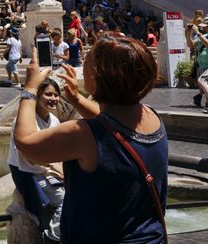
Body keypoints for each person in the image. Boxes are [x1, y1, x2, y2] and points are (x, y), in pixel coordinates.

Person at [15, 36, 168, 243]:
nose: (82, 63)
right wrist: (77, 99)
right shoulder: (151, 116)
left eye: (86, 60)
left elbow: (25, 143)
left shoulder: (83, 134)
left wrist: (31, 88)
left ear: (96, 77)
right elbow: (111, 122)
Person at [8, 82, 65, 241]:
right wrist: (54, 167)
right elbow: (28, 156)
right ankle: (52, 238)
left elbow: (58, 153)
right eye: (48, 94)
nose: (53, 98)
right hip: (28, 172)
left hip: (47, 172)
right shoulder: (24, 121)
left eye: (56, 94)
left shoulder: (54, 120)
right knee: (65, 201)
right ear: (37, 96)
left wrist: (60, 169)